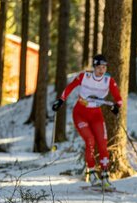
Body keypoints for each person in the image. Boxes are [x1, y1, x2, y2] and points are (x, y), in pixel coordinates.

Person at [52, 54, 122, 188]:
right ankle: (92, 173)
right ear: (94, 67)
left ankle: (105, 176)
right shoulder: (85, 76)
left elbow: (118, 97)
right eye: (99, 67)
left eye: (104, 67)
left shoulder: (108, 80)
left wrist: (117, 107)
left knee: (102, 142)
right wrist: (61, 100)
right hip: (80, 113)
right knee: (90, 140)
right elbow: (70, 87)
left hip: (96, 114)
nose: (102, 70)